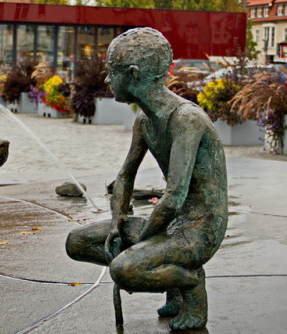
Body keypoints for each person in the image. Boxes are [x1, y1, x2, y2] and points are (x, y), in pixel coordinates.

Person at [66, 27, 228, 330]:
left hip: (197, 230)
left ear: (134, 73)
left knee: (124, 270)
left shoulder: (186, 119)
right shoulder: (144, 120)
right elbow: (125, 177)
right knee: (77, 243)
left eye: (112, 73)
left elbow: (174, 198)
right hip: (169, 225)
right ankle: (171, 283)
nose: (106, 79)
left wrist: (139, 242)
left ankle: (190, 283)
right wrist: (118, 222)